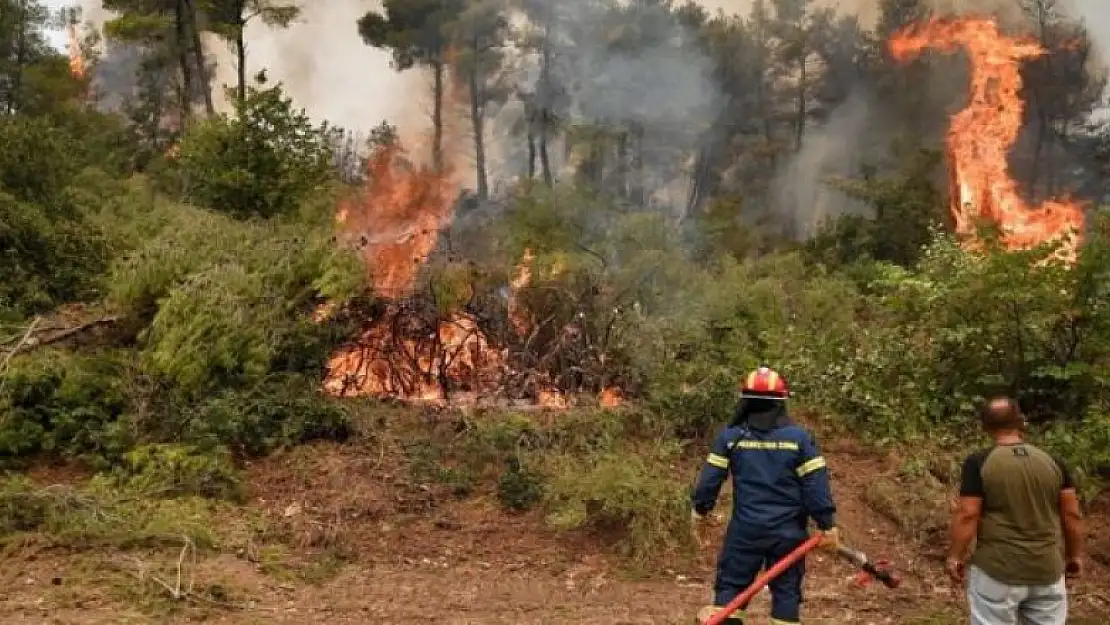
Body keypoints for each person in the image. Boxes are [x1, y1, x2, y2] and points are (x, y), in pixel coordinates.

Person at [690, 366, 839, 625]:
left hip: (746, 532)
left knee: (731, 590)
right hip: (789, 534)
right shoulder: (799, 439)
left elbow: (709, 481)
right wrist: (827, 524)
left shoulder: (732, 437)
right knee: (786, 593)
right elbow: (816, 485)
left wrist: (700, 510)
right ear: (781, 402)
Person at [947, 396, 1085, 625]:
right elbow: (1071, 515)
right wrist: (1075, 555)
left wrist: (955, 557)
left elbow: (968, 514)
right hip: (1047, 570)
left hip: (998, 572)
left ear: (985, 427)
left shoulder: (979, 463)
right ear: (1022, 422)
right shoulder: (1053, 461)